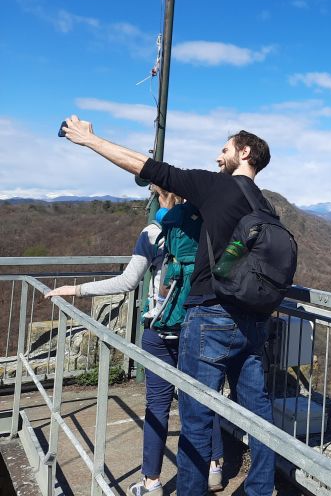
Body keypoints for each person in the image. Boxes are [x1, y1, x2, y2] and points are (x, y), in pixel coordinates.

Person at [60, 115, 276, 496]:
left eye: (224, 149)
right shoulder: (265, 205)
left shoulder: (217, 187)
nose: (218, 157)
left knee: (196, 417)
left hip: (211, 316)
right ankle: (260, 489)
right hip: (253, 321)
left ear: (244, 152)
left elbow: (149, 168)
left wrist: (91, 140)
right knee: (258, 413)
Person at [45, 184, 224, 496]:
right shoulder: (205, 229)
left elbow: (128, 281)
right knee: (202, 398)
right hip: (197, 327)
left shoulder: (153, 233)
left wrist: (76, 290)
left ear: (158, 197)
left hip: (159, 329)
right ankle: (213, 468)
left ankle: (151, 482)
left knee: (157, 405)